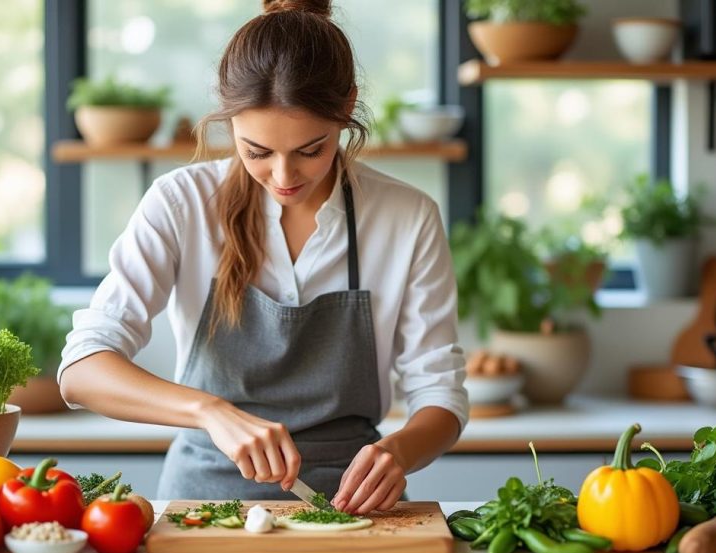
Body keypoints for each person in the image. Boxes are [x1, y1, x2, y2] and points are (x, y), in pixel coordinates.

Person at [58, 0, 468, 515]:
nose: (283, 176)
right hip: (203, 507)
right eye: (257, 152)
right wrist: (208, 411)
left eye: (311, 150)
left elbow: (441, 395)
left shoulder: (407, 217)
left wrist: (399, 452)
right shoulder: (180, 203)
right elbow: (82, 368)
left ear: (348, 108)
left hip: (355, 511)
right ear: (230, 123)